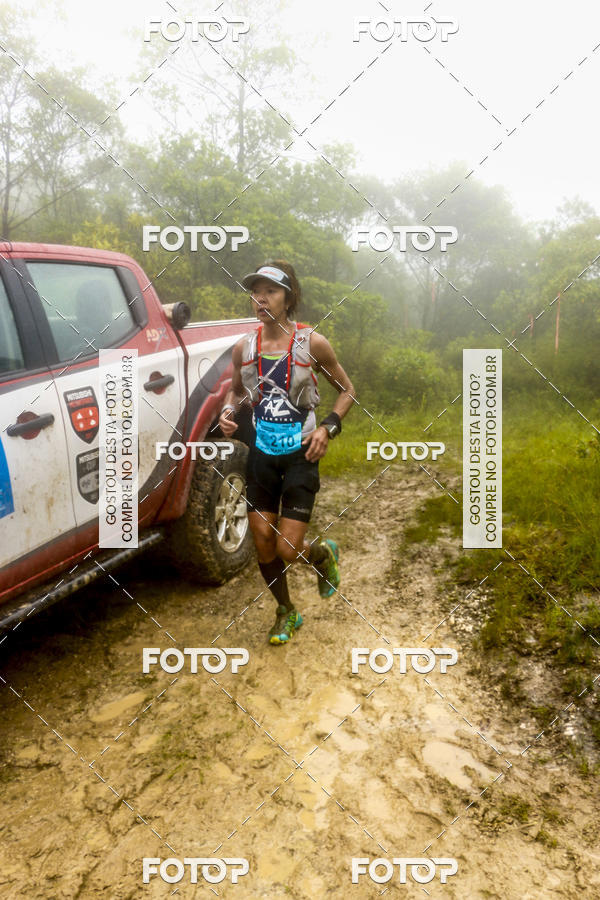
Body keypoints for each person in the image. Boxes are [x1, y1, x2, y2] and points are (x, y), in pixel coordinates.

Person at [218, 260, 355, 645]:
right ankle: (286, 611)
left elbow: (348, 390)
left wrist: (328, 426)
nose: (261, 299)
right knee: (262, 538)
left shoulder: (312, 343)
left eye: (271, 291)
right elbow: (235, 391)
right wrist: (228, 412)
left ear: (288, 297)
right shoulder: (243, 348)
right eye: (255, 292)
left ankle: (321, 554)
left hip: (301, 455)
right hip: (262, 454)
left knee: (288, 547)